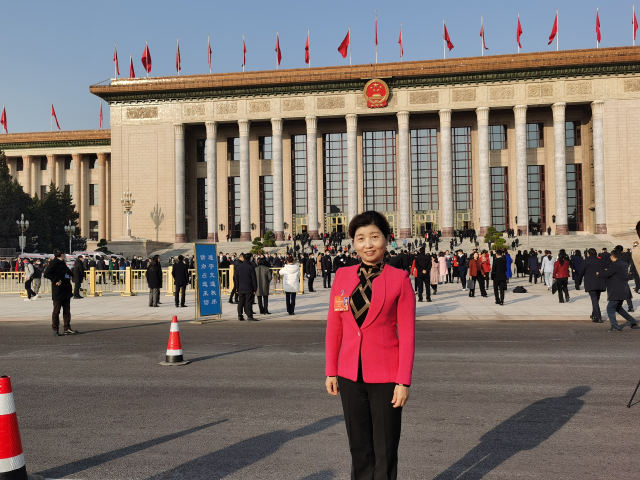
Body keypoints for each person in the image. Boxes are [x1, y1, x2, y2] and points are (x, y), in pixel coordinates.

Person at [325, 211, 415, 479]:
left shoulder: (399, 279)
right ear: (353, 242)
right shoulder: (342, 276)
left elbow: (407, 335)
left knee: (385, 450)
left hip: (386, 376)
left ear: (387, 240)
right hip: (350, 374)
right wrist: (331, 369)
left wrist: (403, 381)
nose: (368, 244)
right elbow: (335, 327)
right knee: (359, 449)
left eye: (374, 237)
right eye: (361, 238)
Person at [598, 249, 639, 332]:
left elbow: (607, 274)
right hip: (623, 289)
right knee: (618, 308)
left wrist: (599, 274)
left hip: (617, 290)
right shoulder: (624, 263)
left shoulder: (615, 265)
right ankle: (633, 321)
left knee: (610, 308)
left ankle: (615, 326)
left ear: (612, 256)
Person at [43, 249, 78, 336]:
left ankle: (67, 328)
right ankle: (55, 329)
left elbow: (67, 271)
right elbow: (46, 274)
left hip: (66, 289)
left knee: (66, 310)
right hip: (58, 291)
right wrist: (56, 280)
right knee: (56, 311)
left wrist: (71, 275)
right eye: (64, 254)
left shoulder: (62, 262)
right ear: (62, 254)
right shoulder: (54, 263)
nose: (65, 255)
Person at [576, 249, 607, 323]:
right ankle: (594, 314)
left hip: (591, 283)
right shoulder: (601, 260)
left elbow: (581, 272)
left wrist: (578, 282)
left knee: (594, 299)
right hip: (600, 282)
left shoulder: (586, 261)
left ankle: (598, 317)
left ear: (588, 254)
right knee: (596, 299)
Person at [235, 253, 258, 321]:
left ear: (243, 258)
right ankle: (249, 316)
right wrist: (255, 288)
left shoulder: (238, 267)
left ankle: (240, 315)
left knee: (240, 302)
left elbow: (236, 278)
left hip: (241, 287)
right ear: (250, 258)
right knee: (248, 302)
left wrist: (237, 287)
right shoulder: (250, 267)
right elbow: (254, 279)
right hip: (248, 287)